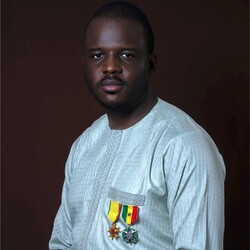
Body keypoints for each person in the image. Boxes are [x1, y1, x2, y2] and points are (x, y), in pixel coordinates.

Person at [49, 1, 225, 249]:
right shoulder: (84, 146)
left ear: (150, 63)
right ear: (85, 64)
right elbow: (62, 242)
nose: (110, 67)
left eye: (126, 55)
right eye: (97, 56)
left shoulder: (184, 145)